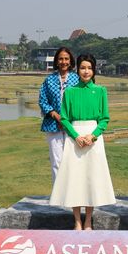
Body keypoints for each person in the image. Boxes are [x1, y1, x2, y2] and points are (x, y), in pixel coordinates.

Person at [49, 54, 116, 230]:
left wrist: (92, 136)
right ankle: (77, 221)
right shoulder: (70, 92)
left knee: (91, 178)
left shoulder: (100, 91)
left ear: (94, 70)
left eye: (89, 68)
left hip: (93, 139)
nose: (86, 71)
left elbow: (104, 119)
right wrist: (76, 136)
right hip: (75, 139)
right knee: (75, 179)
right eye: (83, 68)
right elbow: (64, 119)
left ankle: (88, 221)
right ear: (77, 70)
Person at [38, 47, 80, 183]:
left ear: (70, 61)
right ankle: (59, 195)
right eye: (61, 59)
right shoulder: (49, 80)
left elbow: (81, 101)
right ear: (56, 61)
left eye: (66, 59)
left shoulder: (77, 79)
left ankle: (73, 193)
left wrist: (67, 119)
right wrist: (55, 115)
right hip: (53, 125)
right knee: (57, 161)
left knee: (73, 160)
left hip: (73, 126)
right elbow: (42, 100)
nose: (63, 61)